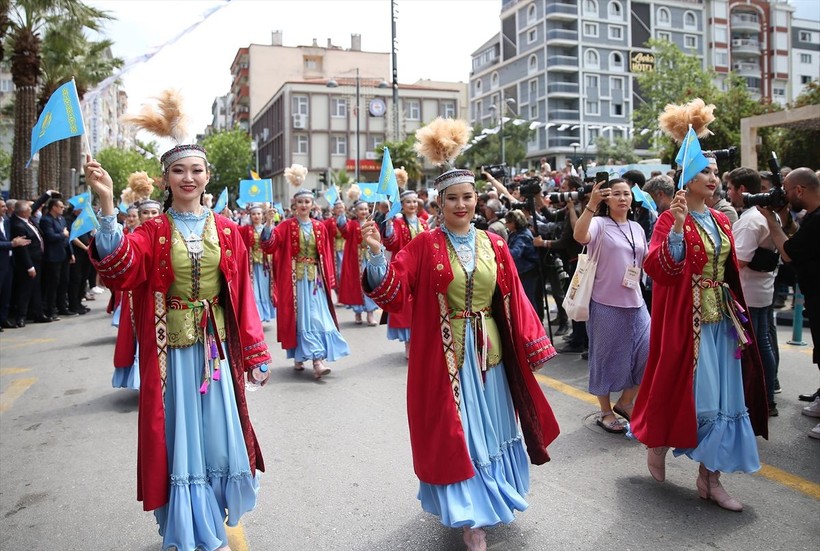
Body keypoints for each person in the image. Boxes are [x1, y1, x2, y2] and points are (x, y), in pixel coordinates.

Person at [361, 117, 559, 551]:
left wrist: (533, 342)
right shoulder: (422, 246)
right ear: (440, 202)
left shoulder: (495, 244)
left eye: (468, 197)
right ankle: (471, 515)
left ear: (476, 199)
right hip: (445, 358)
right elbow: (395, 291)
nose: (462, 204)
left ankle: (490, 495)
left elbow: (515, 298)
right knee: (460, 430)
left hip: (491, 353)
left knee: (490, 426)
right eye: (453, 198)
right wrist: (377, 256)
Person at [86, 90, 270, 551]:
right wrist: (108, 208)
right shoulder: (152, 231)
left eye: (196, 170)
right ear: (165, 179)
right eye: (178, 170)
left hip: (215, 353)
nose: (188, 177)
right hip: (170, 356)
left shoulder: (228, 232)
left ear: (208, 177)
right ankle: (190, 528)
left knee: (218, 435)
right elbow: (122, 267)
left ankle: (213, 516)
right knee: (178, 436)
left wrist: (254, 352)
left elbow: (242, 296)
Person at [630, 99, 767, 512]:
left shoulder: (723, 219)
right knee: (694, 395)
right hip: (685, 323)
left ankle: (711, 478)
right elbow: (659, 269)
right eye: (705, 171)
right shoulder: (670, 218)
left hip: (723, 321)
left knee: (727, 398)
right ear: (687, 179)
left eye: (715, 172)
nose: (714, 177)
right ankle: (660, 439)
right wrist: (673, 229)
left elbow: (729, 272)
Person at [572, 178, 650, 433]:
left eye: (626, 193)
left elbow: (646, 260)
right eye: (616, 194)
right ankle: (605, 411)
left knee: (648, 353)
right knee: (604, 359)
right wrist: (591, 205)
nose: (622, 198)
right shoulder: (599, 223)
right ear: (607, 199)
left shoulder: (637, 228)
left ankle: (626, 402)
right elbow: (579, 235)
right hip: (605, 303)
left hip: (636, 302)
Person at [261, 164, 349, 379]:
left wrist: (329, 278)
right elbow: (269, 246)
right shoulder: (285, 226)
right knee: (300, 318)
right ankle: (300, 355)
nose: (303, 205)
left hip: (315, 282)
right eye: (299, 202)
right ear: (294, 205)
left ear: (312, 205)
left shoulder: (319, 227)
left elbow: (326, 253)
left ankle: (317, 359)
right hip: (294, 281)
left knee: (318, 317)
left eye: (307, 202)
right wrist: (268, 224)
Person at [756, 167, 820, 439]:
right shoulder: (812, 217)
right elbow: (797, 238)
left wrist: (770, 218)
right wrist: (782, 217)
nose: (783, 194)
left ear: (799, 190)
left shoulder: (818, 220)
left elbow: (790, 252)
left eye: (786, 189)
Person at [725, 167, 780, 417]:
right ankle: (766, 398)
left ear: (742, 190)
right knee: (763, 345)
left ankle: (761, 400)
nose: (727, 193)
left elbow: (740, 261)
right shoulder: (767, 214)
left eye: (729, 188)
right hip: (762, 291)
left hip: (750, 293)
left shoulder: (749, 220)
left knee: (755, 350)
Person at [382, 189, 429, 358]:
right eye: (409, 202)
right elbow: (391, 243)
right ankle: (408, 344)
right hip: (405, 269)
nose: (412, 205)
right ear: (402, 205)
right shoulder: (398, 223)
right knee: (407, 309)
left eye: (415, 201)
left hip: (423, 269)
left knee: (422, 306)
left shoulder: (424, 223)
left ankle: (420, 341)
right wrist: (388, 226)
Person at [336, 199, 379, 325]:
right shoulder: (352, 224)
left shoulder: (372, 224)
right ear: (356, 211)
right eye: (361, 209)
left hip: (370, 258)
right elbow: (343, 229)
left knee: (371, 284)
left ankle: (370, 313)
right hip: (356, 260)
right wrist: (342, 214)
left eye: (366, 209)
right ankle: (358, 313)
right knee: (357, 284)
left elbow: (377, 240)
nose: (364, 211)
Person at [10, 199, 51, 326]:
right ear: (23, 212)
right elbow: (23, 249)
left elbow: (36, 205)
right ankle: (20, 316)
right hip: (28, 262)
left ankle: (38, 313)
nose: (31, 211)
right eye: (29, 209)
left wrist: (47, 195)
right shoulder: (18, 225)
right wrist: (29, 266)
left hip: (38, 259)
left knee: (36, 288)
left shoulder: (28, 220)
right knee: (25, 289)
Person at [238, 204, 276, 323]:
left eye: (259, 213)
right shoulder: (246, 229)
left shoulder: (267, 228)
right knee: (254, 290)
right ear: (250, 216)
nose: (256, 216)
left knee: (265, 290)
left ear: (262, 215)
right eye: (253, 214)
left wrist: (269, 221)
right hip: (252, 265)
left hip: (265, 265)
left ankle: (265, 314)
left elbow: (269, 237)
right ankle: (257, 316)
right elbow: (234, 230)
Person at [505, 209, 544, 321]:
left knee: (530, 301)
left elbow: (515, 253)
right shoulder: (515, 234)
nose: (506, 224)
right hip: (523, 271)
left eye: (508, 222)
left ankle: (535, 327)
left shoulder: (523, 236)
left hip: (528, 272)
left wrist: (501, 250)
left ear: (514, 222)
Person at [0, 199, 31, 330]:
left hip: (9, 263)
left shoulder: (6, 221)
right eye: (2, 206)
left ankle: (3, 318)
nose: (5, 208)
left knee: (6, 294)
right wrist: (12, 244)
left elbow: (29, 209)